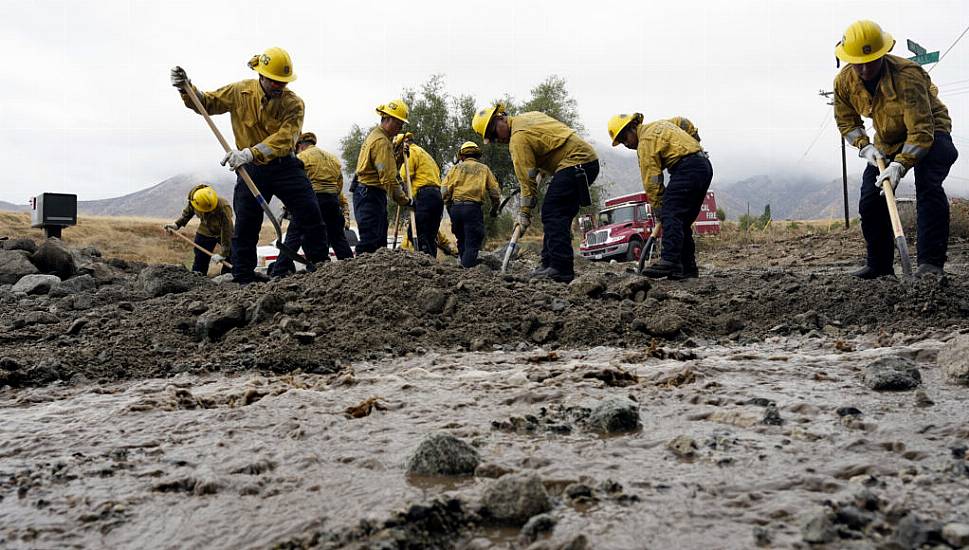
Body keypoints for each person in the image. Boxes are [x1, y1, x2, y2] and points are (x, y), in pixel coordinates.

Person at [170, 47, 329, 283]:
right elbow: (206, 103)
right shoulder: (240, 91)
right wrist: (187, 89)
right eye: (274, 80)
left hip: (284, 166)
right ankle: (242, 275)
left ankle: (321, 267)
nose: (279, 86)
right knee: (245, 224)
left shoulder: (294, 103)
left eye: (283, 82)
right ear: (261, 75)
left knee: (310, 212)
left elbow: (286, 138)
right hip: (251, 171)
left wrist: (250, 153)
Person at [833, 20, 957, 278]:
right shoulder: (844, 81)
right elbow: (847, 121)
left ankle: (930, 266)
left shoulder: (907, 76)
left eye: (872, 61)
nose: (865, 68)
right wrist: (865, 147)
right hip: (888, 137)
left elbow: (921, 131)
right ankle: (879, 266)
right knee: (871, 198)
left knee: (928, 187)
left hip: (932, 131)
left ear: (883, 53)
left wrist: (900, 165)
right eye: (858, 62)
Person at [472, 104, 599, 283]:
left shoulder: (518, 139)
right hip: (586, 161)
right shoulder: (529, 116)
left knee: (552, 212)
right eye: (491, 139)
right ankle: (548, 264)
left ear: (501, 118)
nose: (495, 140)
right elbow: (551, 140)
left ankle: (561, 269)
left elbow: (527, 182)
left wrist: (524, 214)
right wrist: (543, 166)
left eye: (493, 133)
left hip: (576, 162)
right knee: (555, 213)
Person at [607, 113, 713, 279]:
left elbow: (652, 181)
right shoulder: (661, 125)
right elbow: (683, 121)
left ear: (633, 128)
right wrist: (694, 141)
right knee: (681, 222)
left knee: (671, 213)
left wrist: (659, 210)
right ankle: (687, 268)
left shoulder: (645, 143)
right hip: (704, 166)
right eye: (621, 142)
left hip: (687, 168)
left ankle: (670, 261)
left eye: (624, 138)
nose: (626, 144)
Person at [271, 132, 353, 276]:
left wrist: (286, 207)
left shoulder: (301, 157)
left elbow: (296, 185)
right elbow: (339, 186)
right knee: (338, 238)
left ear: (300, 146)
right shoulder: (333, 159)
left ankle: (278, 273)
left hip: (311, 202)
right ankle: (352, 271)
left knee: (293, 237)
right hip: (332, 202)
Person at [352, 100, 412, 254]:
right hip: (369, 195)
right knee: (370, 241)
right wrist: (405, 200)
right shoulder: (381, 142)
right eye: (399, 124)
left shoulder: (379, 137)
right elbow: (388, 179)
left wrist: (398, 159)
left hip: (371, 193)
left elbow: (389, 170)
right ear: (389, 119)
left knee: (378, 242)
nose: (400, 128)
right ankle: (361, 274)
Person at [441, 141, 501, 267]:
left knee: (461, 240)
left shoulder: (455, 169)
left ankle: (463, 268)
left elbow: (444, 190)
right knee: (472, 243)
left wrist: (449, 206)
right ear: (478, 155)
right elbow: (495, 192)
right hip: (472, 209)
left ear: (461, 156)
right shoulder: (484, 169)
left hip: (456, 209)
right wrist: (494, 208)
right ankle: (466, 272)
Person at [165, 184, 233, 275]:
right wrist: (177, 224)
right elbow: (187, 213)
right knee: (200, 259)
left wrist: (223, 253)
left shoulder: (224, 207)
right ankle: (198, 280)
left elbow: (227, 230)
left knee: (233, 254)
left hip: (222, 232)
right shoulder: (195, 200)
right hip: (205, 230)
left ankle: (228, 279)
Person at [395, 133, 443, 256]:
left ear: (403, 144)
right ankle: (432, 263)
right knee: (430, 235)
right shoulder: (426, 155)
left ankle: (425, 260)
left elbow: (404, 176)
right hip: (437, 197)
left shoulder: (410, 153)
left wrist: (404, 198)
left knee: (417, 232)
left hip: (424, 196)